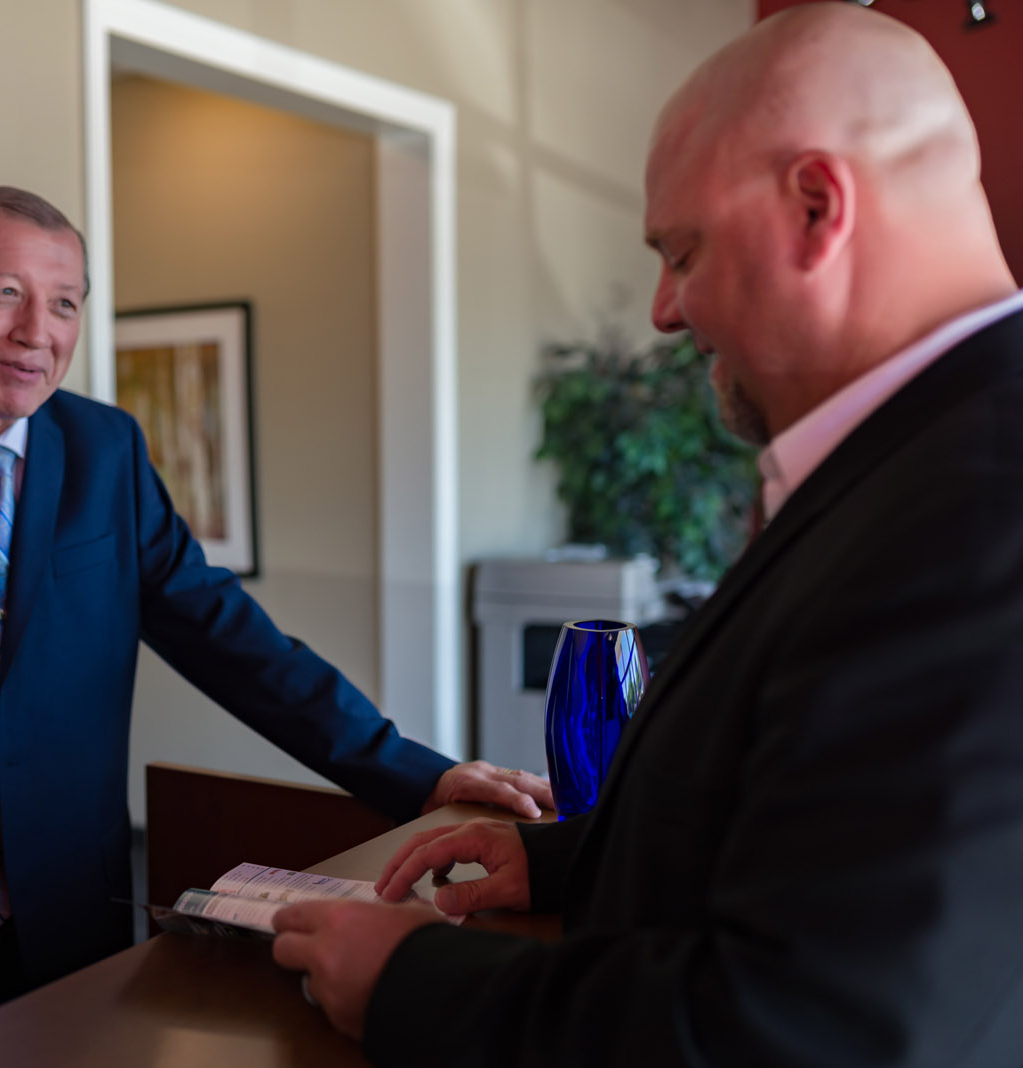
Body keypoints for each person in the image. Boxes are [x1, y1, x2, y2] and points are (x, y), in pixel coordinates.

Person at [271, 6, 1023, 1066]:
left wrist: (412, 979)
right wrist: (566, 860)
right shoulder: (914, 458)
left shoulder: (978, 507)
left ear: (817, 208)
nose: (664, 311)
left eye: (681, 251)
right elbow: (811, 823)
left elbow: (812, 1027)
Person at [0, 185, 553, 1068]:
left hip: (64, 953)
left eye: (65, 304)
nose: (37, 332)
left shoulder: (106, 453)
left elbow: (234, 643)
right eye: (4, 293)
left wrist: (419, 775)